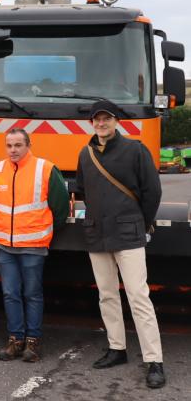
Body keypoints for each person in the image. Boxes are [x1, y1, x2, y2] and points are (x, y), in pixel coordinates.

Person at [76, 100, 165, 389]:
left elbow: (152, 191)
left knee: (139, 297)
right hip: (97, 234)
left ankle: (154, 361)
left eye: (106, 119)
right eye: (97, 120)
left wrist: (141, 222)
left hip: (129, 234)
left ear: (116, 121)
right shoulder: (85, 153)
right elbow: (82, 191)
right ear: (92, 123)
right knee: (107, 295)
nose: (101, 123)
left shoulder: (136, 150)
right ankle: (117, 349)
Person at [0, 128, 69, 362]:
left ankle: (33, 342)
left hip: (33, 246)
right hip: (4, 245)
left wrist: (43, 233)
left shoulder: (45, 169)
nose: (13, 150)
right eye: (9, 145)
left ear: (28, 145)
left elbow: (60, 208)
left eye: (18, 145)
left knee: (32, 294)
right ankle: (15, 340)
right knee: (10, 294)